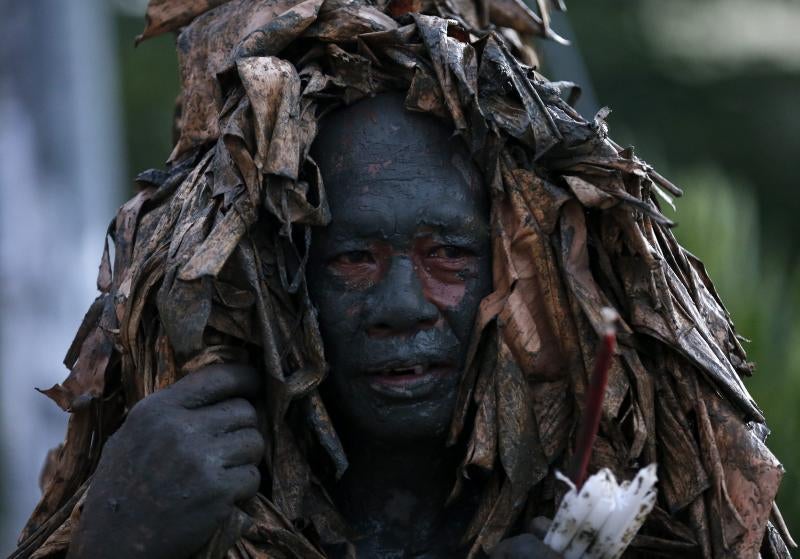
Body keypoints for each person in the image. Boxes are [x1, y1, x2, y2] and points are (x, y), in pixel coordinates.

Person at [12, 0, 792, 558]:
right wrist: (118, 537)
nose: (399, 306)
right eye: (353, 258)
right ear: (285, 284)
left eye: (448, 254)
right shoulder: (175, 508)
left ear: (524, 272)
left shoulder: (634, 526)